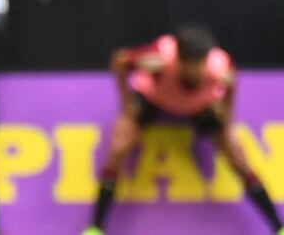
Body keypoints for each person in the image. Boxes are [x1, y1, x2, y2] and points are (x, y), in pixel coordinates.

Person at [81, 25, 284, 235]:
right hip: (154, 100)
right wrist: (126, 104)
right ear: (178, 57)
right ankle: (95, 227)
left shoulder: (220, 67)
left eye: (200, 63)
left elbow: (232, 84)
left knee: (238, 157)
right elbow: (120, 59)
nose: (195, 70)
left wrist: (227, 118)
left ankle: (278, 227)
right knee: (118, 148)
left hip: (198, 107)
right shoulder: (160, 58)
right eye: (189, 63)